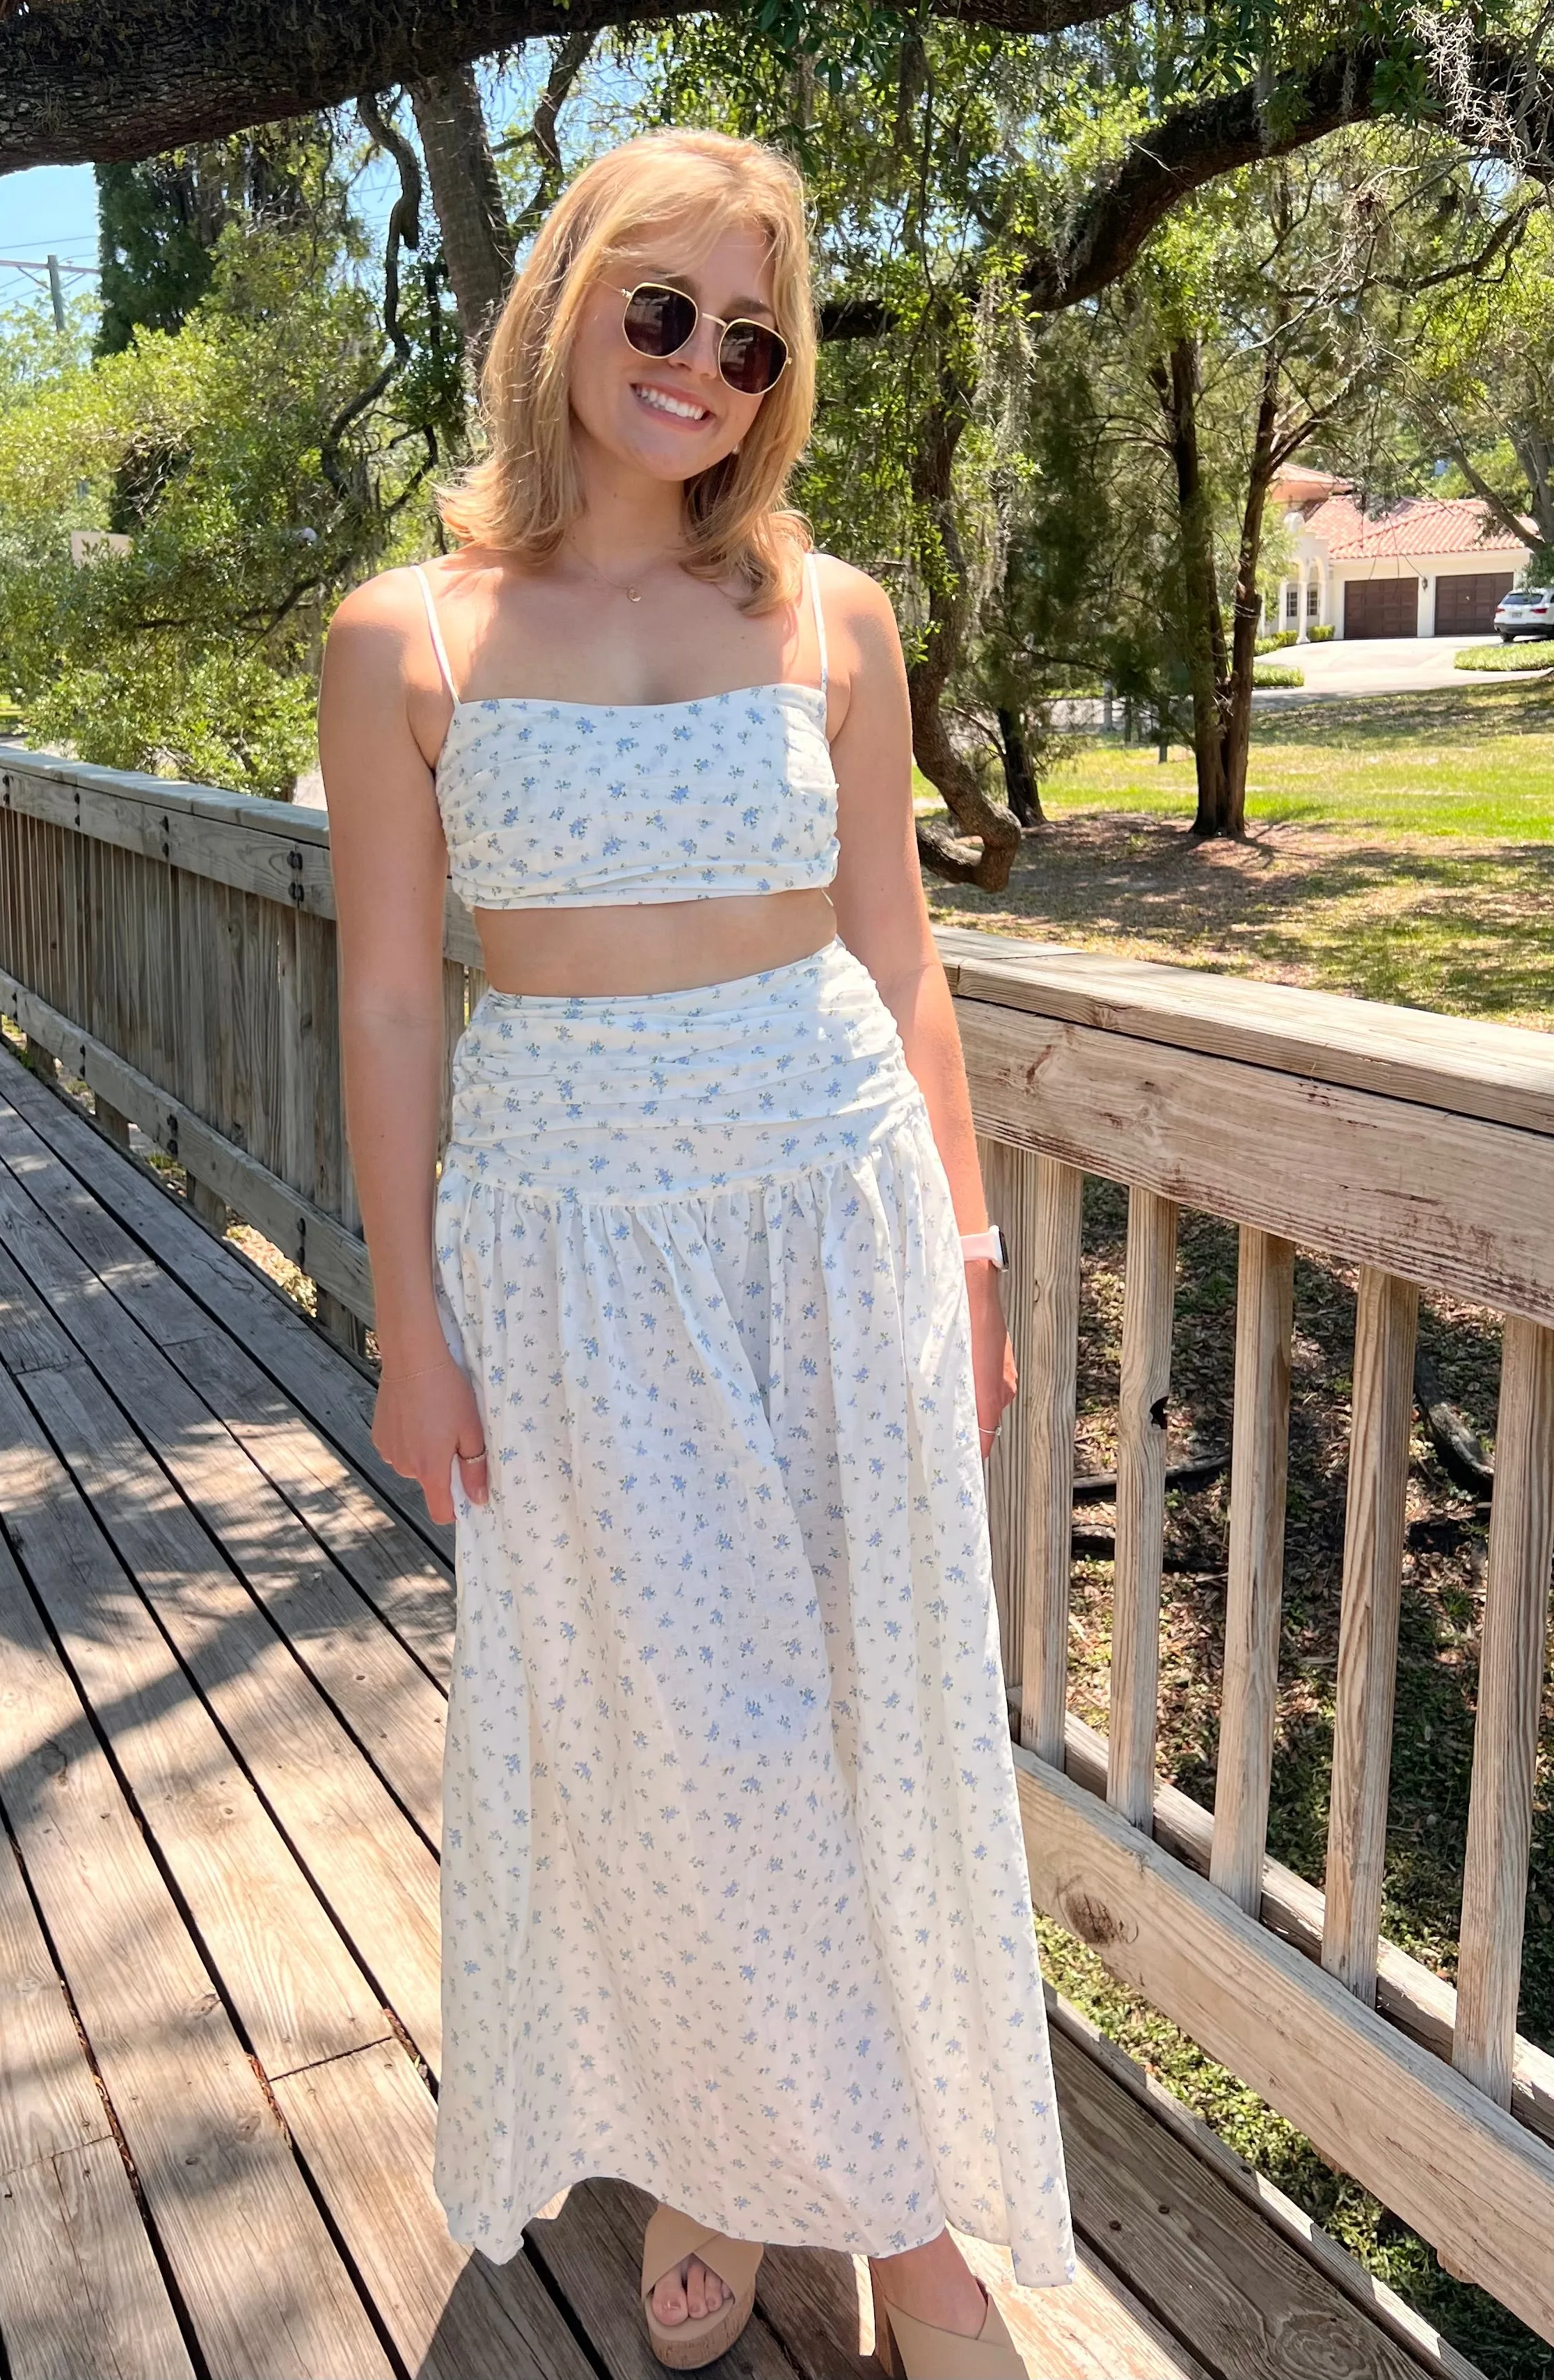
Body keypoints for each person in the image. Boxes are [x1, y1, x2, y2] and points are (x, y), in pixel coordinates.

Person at [318, 126, 1075, 2380]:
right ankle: (904, 2245)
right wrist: (407, 1319)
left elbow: (903, 955)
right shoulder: (410, 636)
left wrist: (963, 1256)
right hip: (576, 1245)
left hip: (830, 1207)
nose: (702, 371)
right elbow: (386, 996)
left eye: (749, 340)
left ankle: (755, 2168)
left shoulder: (824, 613)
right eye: (660, 311)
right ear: (563, 305)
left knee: (847, 1717)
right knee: (677, 1730)